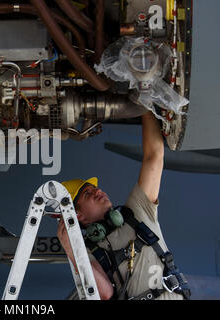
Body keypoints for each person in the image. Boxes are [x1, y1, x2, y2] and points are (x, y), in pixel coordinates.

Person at [57, 111, 190, 300]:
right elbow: (104, 293)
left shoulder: (137, 211)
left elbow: (154, 156)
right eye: (88, 194)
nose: (98, 191)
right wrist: (71, 249)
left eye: (95, 188)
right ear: (78, 216)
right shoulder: (87, 252)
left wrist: (146, 107)